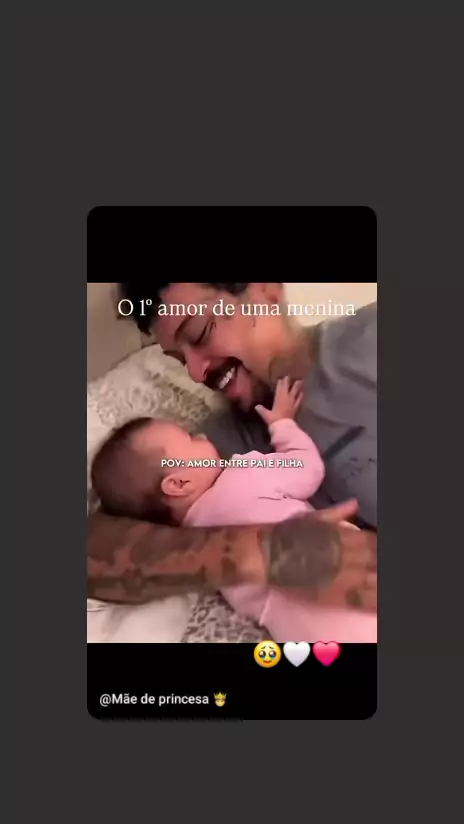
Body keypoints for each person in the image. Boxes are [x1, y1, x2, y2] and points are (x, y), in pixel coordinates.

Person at [87, 282, 377, 614]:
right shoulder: (221, 452)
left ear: (266, 289)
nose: (196, 373)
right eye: (180, 360)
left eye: (199, 332)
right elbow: (94, 548)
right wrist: (258, 552)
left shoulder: (369, 340)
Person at [91, 376, 376, 641]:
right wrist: (283, 426)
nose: (202, 436)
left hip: (307, 632)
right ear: (178, 483)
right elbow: (307, 469)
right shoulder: (243, 473)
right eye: (190, 438)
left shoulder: (196, 545)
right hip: (351, 583)